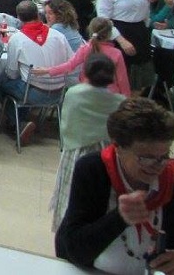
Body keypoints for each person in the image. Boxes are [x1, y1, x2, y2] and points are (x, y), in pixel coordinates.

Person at [55, 97, 174, 274]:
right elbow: (73, 249)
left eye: (164, 156)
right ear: (118, 147)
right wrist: (119, 218)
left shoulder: (170, 178)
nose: (157, 166)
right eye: (146, 158)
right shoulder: (93, 169)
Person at [0, 0, 74, 145]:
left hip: (32, 93)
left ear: (18, 18)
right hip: (59, 92)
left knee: (0, 81)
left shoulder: (17, 39)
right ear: (38, 15)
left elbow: (12, 73)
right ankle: (21, 121)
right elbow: (71, 61)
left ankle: (17, 123)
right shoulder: (58, 35)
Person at [33, 17, 131, 96]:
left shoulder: (86, 48)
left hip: (87, 91)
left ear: (90, 30)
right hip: (111, 94)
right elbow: (122, 79)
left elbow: (69, 65)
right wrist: (126, 98)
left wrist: (47, 70)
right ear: (110, 34)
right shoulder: (116, 53)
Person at [96, 0, 152, 91]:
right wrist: (121, 40)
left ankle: (133, 106)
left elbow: (146, 15)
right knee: (119, 78)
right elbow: (104, 20)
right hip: (118, 35)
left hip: (140, 35)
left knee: (138, 81)